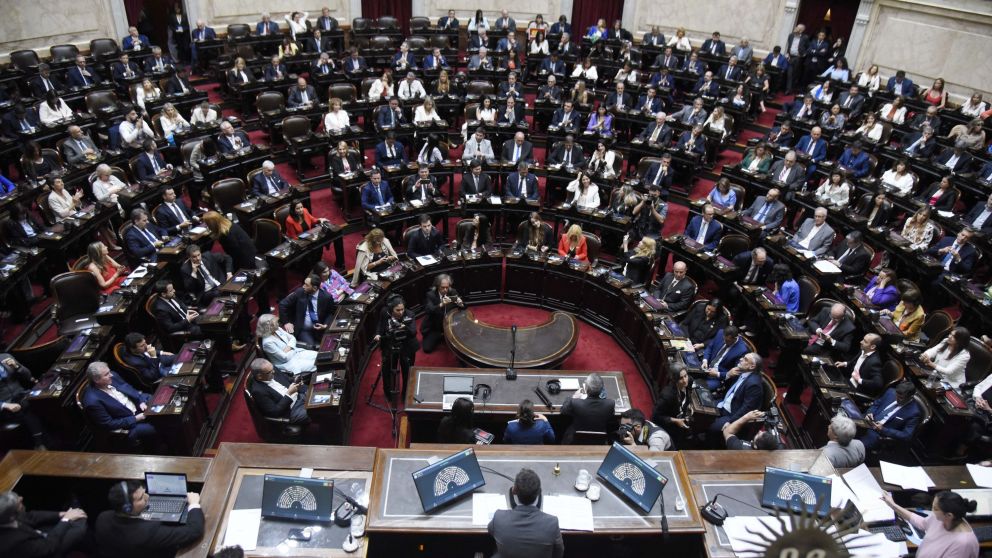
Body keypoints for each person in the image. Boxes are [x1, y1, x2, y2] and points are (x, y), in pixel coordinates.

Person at [94, 481, 203, 558]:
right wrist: (193, 504)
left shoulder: (102, 518)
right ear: (127, 508)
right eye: (141, 498)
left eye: (144, 492)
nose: (148, 497)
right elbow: (194, 530)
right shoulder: (147, 533)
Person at [81, 362, 162, 452]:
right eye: (106, 374)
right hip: (128, 426)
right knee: (159, 425)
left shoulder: (112, 377)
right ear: (96, 380)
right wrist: (135, 418)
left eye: (109, 371)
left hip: (139, 408)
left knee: (162, 404)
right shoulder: (92, 401)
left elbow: (129, 389)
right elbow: (109, 424)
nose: (111, 375)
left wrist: (140, 401)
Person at [488, 468, 564, 558]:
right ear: (539, 492)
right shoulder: (552, 523)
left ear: (514, 490)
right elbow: (559, 551)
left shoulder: (499, 518)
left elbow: (491, 530)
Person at [883, 491, 979, 558]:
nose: (932, 511)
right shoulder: (940, 519)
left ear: (949, 515)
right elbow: (921, 522)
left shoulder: (963, 544)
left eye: (935, 508)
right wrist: (893, 505)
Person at [0, 490, 87, 557]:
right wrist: (66, 519)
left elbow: (30, 516)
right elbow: (48, 546)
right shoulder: (12, 545)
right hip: (47, 549)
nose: (21, 498)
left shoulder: (5, 517)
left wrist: (60, 514)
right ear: (12, 516)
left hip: (34, 535)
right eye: (19, 504)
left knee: (73, 519)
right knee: (80, 524)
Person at [0, 354, 47, 450]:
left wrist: (17, 367)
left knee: (42, 400)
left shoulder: (5, 357)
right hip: (6, 403)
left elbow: (28, 376)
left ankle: (43, 442)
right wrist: (5, 405)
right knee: (26, 407)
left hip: (22, 394)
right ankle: (40, 443)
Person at [710, 353, 765, 434]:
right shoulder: (740, 371)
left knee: (712, 428)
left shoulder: (754, 384)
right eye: (743, 357)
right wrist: (729, 374)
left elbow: (746, 409)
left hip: (732, 414)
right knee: (703, 411)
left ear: (752, 366)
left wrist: (731, 422)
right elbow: (728, 386)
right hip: (723, 403)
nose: (741, 359)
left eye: (745, 359)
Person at [375, 297, 419, 398]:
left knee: (407, 372)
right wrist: (378, 333)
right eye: (397, 310)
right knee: (387, 370)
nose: (401, 312)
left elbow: (413, 332)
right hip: (389, 344)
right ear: (391, 309)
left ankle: (406, 395)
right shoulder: (384, 312)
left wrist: (405, 327)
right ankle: (389, 393)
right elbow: (381, 324)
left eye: (402, 309)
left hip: (407, 346)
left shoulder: (410, 314)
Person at [859, 381, 921, 450]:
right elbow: (876, 404)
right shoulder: (890, 392)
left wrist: (883, 430)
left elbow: (906, 435)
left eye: (901, 398)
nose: (897, 399)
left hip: (877, 434)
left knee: (856, 447)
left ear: (911, 397)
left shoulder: (914, 412)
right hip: (865, 421)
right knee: (846, 429)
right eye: (896, 395)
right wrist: (870, 413)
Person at [278, 274, 335, 347]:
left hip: (320, 329)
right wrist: (286, 322)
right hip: (304, 330)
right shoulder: (300, 292)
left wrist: (325, 325)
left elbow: (331, 313)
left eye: (306, 285)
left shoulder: (326, 297)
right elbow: (282, 304)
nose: (303, 286)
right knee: (312, 348)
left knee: (330, 345)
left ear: (314, 288)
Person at [247, 357, 309, 425]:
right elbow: (275, 411)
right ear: (260, 376)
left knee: (318, 393)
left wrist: (297, 382)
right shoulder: (258, 391)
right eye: (270, 372)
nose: (273, 372)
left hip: (300, 396)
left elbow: (287, 379)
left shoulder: (271, 370)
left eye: (272, 368)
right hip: (292, 410)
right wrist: (289, 394)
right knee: (316, 411)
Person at [560, 373, 615, 444]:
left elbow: (563, 411)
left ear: (586, 388)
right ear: (602, 389)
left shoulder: (575, 403)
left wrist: (573, 397)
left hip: (575, 438)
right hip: (599, 440)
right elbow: (611, 416)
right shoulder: (610, 404)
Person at [651, 367, 691, 449]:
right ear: (674, 380)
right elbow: (655, 416)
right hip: (667, 426)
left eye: (685, 376)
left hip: (680, 417)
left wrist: (687, 404)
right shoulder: (667, 396)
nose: (685, 380)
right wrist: (675, 420)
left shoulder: (689, 381)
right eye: (681, 378)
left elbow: (688, 394)